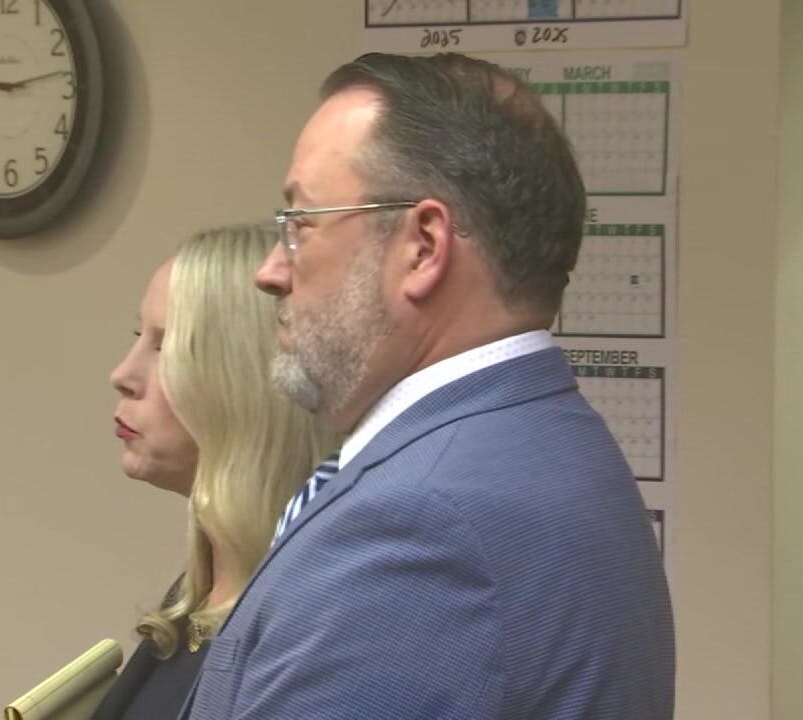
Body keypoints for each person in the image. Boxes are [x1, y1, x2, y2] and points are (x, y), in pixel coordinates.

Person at [182, 52, 675, 719]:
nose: (269, 271)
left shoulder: (419, 526)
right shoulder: (551, 443)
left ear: (423, 246)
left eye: (300, 225)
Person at [95, 223, 338, 720]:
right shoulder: (195, 596)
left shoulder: (304, 623)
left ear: (245, 378)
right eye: (139, 337)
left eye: (165, 347)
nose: (122, 375)